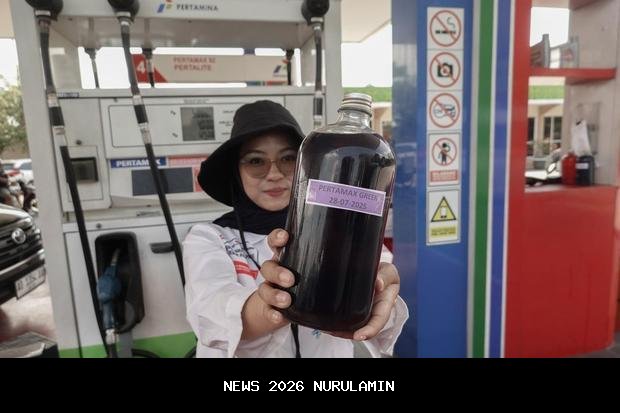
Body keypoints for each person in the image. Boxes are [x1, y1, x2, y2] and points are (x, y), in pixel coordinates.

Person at [184, 100, 408, 358]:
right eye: (256, 161)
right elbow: (210, 315)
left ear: (309, 162)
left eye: (288, 158)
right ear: (236, 171)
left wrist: (379, 296)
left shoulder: (347, 229)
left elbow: (379, 314)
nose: (274, 174)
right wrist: (272, 305)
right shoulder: (209, 237)